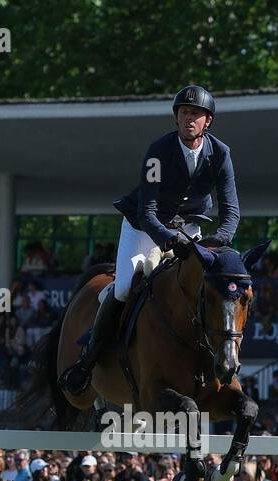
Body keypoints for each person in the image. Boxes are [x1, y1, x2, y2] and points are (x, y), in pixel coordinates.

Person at [59, 85, 240, 395]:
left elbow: (231, 210)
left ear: (207, 121)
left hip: (190, 230)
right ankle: (88, 360)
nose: (188, 119)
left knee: (203, 288)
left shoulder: (220, 154)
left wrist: (217, 241)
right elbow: (147, 211)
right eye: (183, 113)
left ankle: (211, 362)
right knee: (127, 285)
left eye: (195, 114)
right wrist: (169, 241)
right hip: (145, 228)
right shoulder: (159, 151)